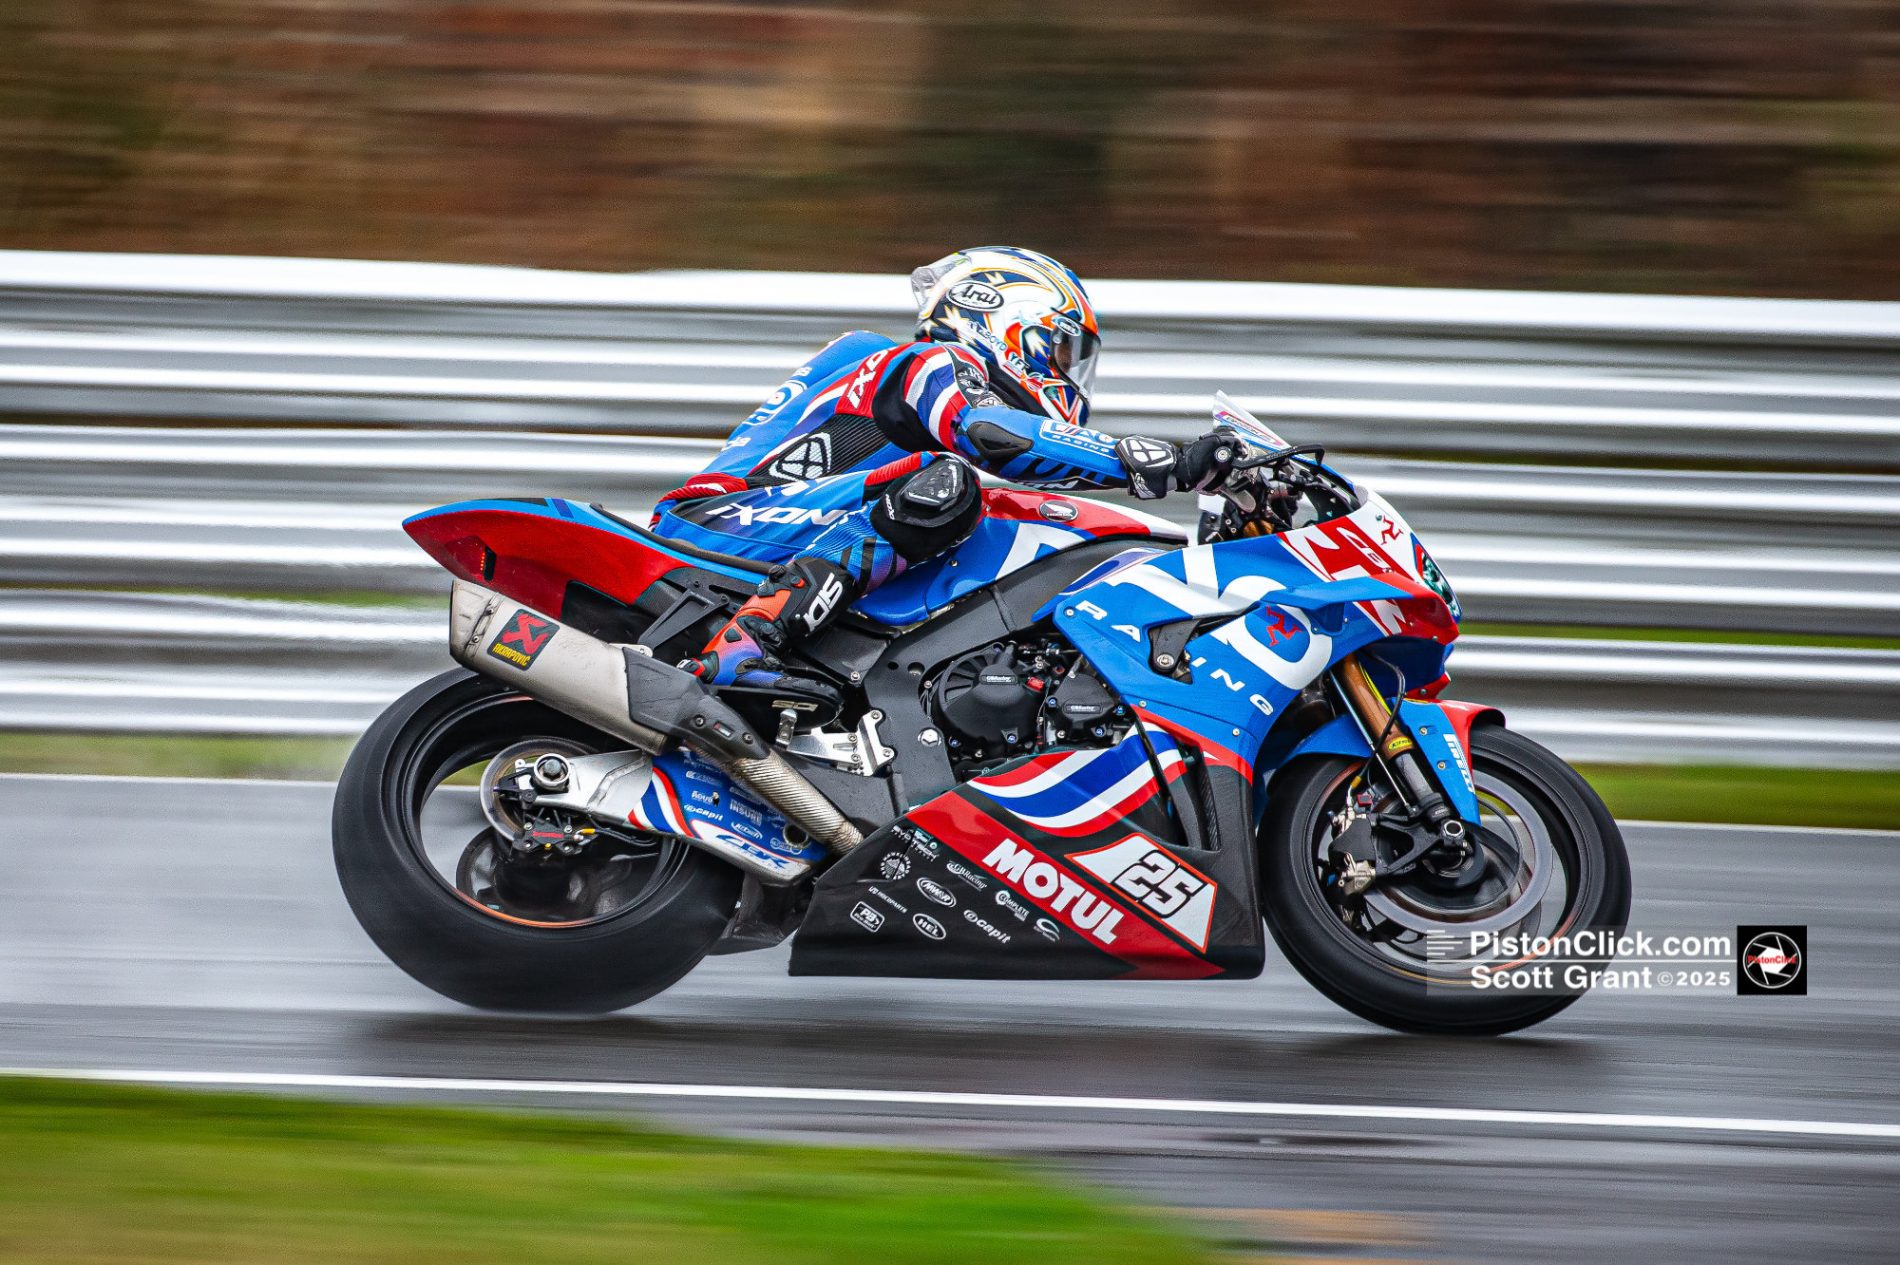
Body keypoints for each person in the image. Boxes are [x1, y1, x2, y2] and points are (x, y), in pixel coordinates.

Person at [653, 246, 1237, 694]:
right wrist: (1167, 464)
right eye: (1062, 350)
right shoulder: (928, 362)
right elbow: (994, 436)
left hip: (774, 529)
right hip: (720, 526)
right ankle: (752, 643)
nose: (1068, 372)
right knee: (947, 488)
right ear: (1004, 318)